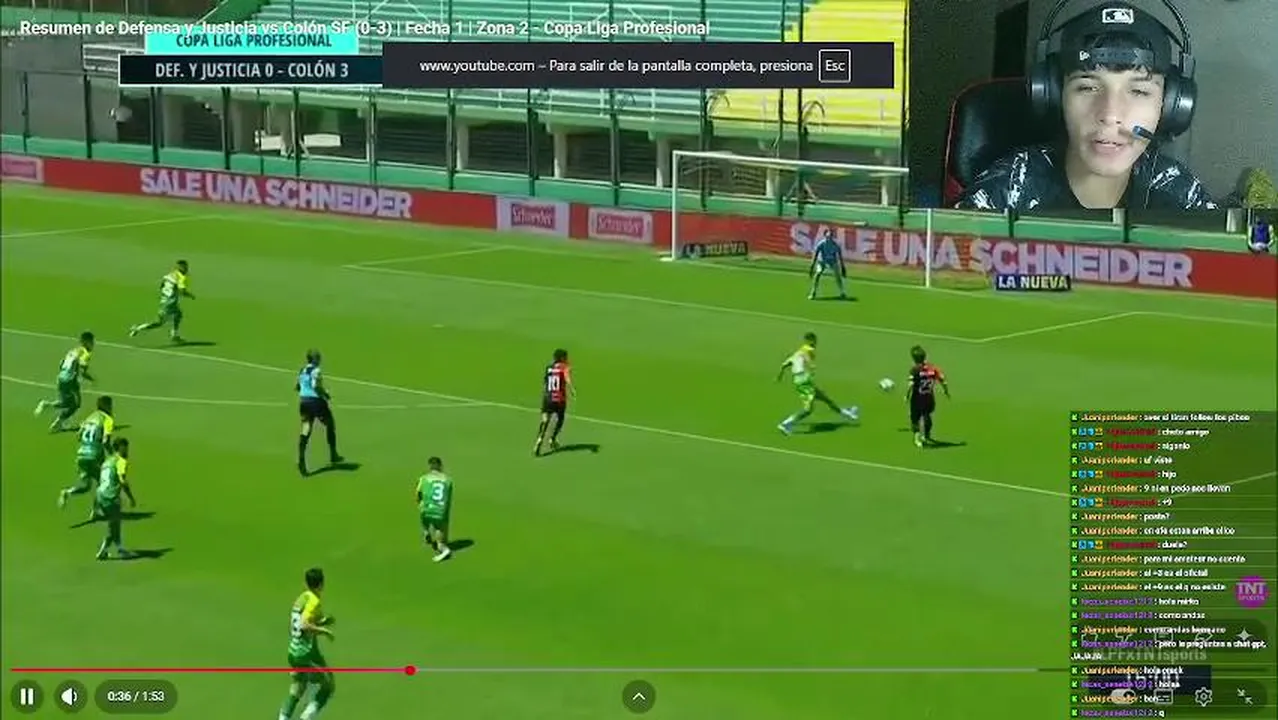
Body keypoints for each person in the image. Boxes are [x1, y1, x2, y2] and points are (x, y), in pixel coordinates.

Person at [958, 1, 1215, 211]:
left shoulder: (1180, 192)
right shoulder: (1005, 192)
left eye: (1139, 91)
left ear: (1170, 105)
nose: (1110, 115)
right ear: (1053, 95)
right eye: (1087, 87)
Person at [776, 332, 859, 435]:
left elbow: (784, 364)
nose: (816, 343)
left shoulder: (797, 353)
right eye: (815, 341)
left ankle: (847, 414)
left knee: (826, 399)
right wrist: (810, 364)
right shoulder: (807, 349)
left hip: (801, 380)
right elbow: (805, 355)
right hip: (803, 380)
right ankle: (785, 424)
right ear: (810, 341)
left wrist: (779, 376)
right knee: (808, 410)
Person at [280, 567, 336, 720]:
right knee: (328, 685)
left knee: (298, 688)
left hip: (293, 651)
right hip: (306, 653)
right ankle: (306, 717)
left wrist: (322, 622)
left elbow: (301, 624)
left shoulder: (302, 598)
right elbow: (304, 624)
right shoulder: (314, 601)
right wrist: (324, 631)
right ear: (321, 584)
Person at [60, 395, 116, 516]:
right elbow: (105, 441)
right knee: (103, 482)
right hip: (95, 455)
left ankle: (67, 492)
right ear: (106, 406)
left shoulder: (90, 417)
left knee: (86, 486)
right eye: (110, 406)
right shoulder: (107, 420)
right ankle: (96, 511)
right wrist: (112, 455)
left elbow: (78, 436)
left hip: (81, 454)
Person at [35, 331, 96, 432]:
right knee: (76, 404)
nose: (93, 344)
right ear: (86, 342)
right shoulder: (85, 353)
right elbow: (82, 370)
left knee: (65, 403)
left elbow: (61, 363)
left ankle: (47, 406)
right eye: (91, 342)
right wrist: (92, 379)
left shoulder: (73, 351)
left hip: (61, 378)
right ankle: (57, 422)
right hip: (71, 380)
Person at [296, 350, 343, 477]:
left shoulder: (302, 370)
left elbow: (298, 387)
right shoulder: (316, 371)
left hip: (304, 402)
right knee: (330, 424)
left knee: (306, 430)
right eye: (318, 357)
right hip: (316, 402)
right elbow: (315, 386)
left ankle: (301, 460)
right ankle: (333, 454)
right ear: (314, 359)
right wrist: (325, 394)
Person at [130, 260, 195, 343]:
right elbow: (182, 291)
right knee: (159, 323)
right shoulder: (181, 278)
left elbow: (162, 283)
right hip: (169, 302)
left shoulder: (171, 274)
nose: (187, 268)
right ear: (181, 267)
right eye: (185, 267)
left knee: (178, 314)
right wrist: (191, 296)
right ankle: (137, 328)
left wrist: (164, 292)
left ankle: (174, 334)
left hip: (165, 300)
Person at [94, 438, 137, 560]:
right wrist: (131, 497)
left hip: (100, 495)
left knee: (114, 524)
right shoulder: (121, 461)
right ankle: (120, 550)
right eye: (125, 447)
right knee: (114, 524)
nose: (127, 450)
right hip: (110, 496)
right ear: (120, 448)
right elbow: (122, 480)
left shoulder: (107, 461)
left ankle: (105, 551)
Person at [905, 346, 949, 447]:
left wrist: (907, 395)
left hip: (917, 399)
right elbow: (943, 380)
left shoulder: (915, 370)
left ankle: (917, 439)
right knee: (926, 415)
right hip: (929, 398)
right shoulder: (933, 368)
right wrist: (946, 391)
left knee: (915, 418)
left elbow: (911, 384)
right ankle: (926, 434)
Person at [534, 349, 574, 456]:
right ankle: (552, 438)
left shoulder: (549, 368)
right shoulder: (565, 367)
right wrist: (571, 388)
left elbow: (545, 382)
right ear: (562, 358)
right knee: (560, 418)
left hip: (548, 398)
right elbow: (567, 377)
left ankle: (539, 439)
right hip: (559, 399)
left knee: (545, 420)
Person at [415, 456, 454, 563]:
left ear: (430, 466)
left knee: (424, 513)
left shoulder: (423, 478)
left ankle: (426, 532)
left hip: (426, 511)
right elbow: (447, 499)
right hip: (440, 512)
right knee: (440, 539)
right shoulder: (447, 480)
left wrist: (420, 505)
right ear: (440, 466)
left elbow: (418, 495)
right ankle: (444, 549)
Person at [808, 228, 848, 300]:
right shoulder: (821, 244)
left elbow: (840, 257)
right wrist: (812, 266)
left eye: (831, 237)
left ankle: (842, 292)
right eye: (828, 237)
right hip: (822, 261)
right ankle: (813, 292)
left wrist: (843, 267)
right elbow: (815, 255)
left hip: (832, 262)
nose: (829, 238)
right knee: (818, 273)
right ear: (825, 236)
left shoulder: (836, 245)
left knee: (837, 275)